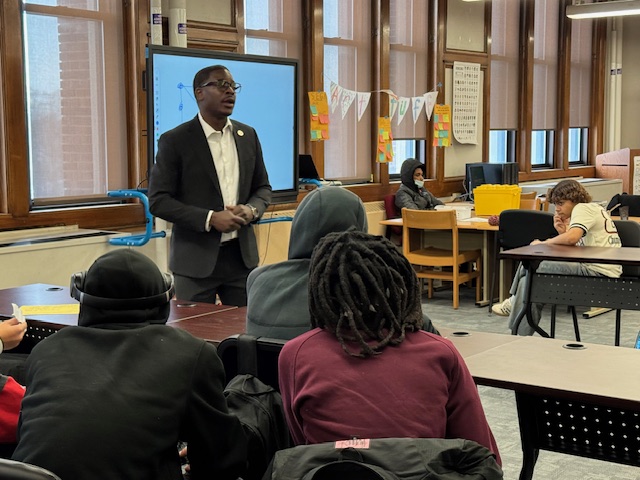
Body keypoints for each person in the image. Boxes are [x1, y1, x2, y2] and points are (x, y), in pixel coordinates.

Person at [12, 250, 247, 480]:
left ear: (82, 298)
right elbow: (221, 461)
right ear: (164, 301)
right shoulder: (192, 353)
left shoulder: (45, 350)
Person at [278, 230, 500, 465]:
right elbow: (484, 457)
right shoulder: (441, 353)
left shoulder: (295, 355)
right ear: (399, 282)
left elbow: (302, 443)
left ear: (319, 287)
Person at [148, 64, 272, 307]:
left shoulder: (248, 136)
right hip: (195, 263)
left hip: (242, 260)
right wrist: (210, 218)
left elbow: (263, 188)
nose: (230, 92)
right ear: (199, 93)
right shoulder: (176, 140)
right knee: (195, 337)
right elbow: (159, 200)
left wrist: (251, 210)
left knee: (244, 336)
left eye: (233, 86)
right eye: (221, 85)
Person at [246, 187, 439, 339]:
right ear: (359, 235)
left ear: (298, 226)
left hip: (267, 387)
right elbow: (430, 341)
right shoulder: (368, 291)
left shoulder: (258, 280)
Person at [491, 179, 622, 336]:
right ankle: (519, 335)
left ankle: (514, 311)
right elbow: (578, 247)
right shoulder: (591, 210)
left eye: (560, 203)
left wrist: (544, 243)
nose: (557, 209)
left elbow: (572, 238)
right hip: (594, 268)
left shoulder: (582, 208)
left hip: (597, 272)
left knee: (533, 259)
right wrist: (562, 232)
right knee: (528, 283)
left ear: (574, 199)